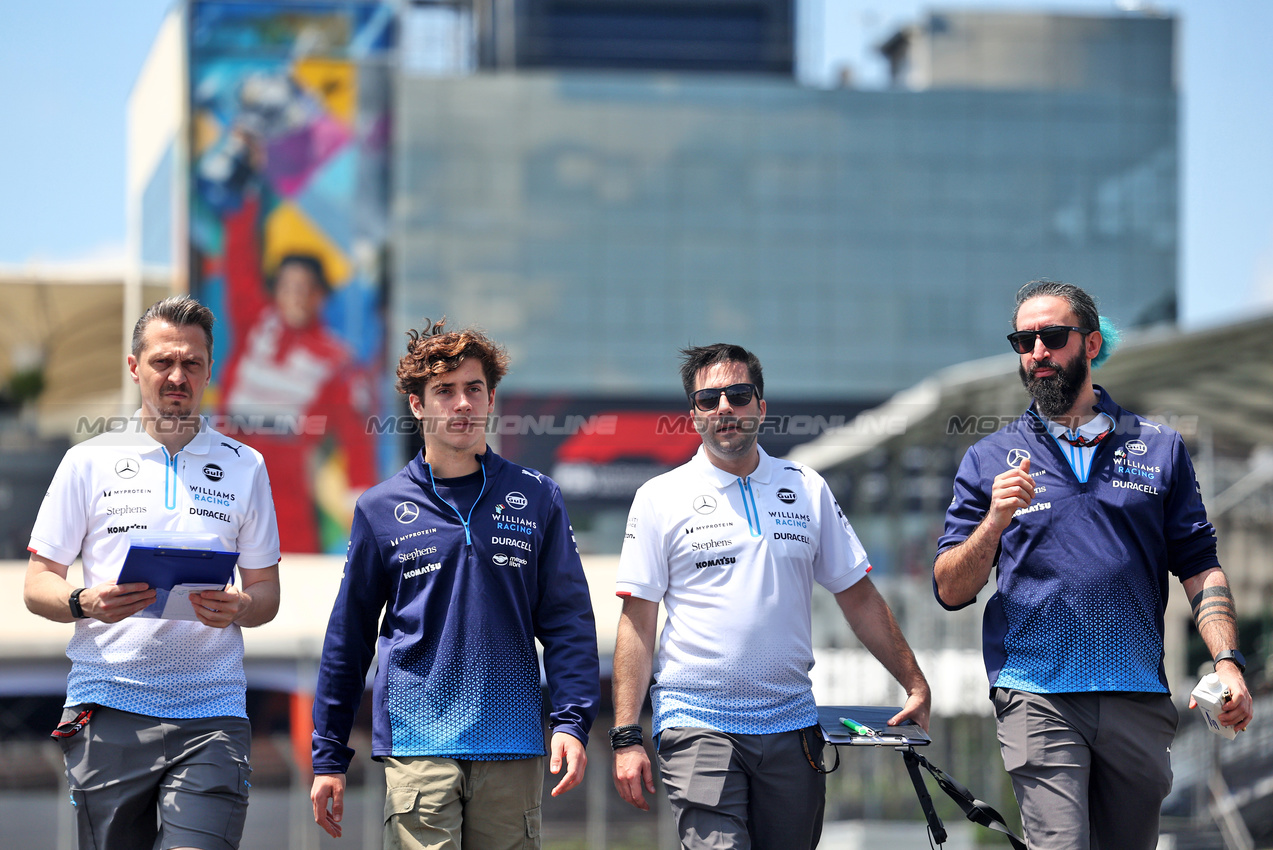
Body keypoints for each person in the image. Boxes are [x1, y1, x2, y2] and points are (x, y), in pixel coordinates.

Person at [933, 279, 1254, 850]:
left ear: (1091, 343)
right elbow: (951, 588)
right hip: (1036, 693)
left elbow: (1200, 564)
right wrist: (994, 522)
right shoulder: (987, 457)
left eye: (1052, 337)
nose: (1037, 354)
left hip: (1137, 694)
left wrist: (1227, 662)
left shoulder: (1160, 447)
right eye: (1023, 341)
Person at [611, 343, 931, 850]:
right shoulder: (659, 496)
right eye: (709, 398)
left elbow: (859, 597)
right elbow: (637, 623)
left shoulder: (806, 487)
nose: (724, 409)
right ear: (692, 414)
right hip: (697, 723)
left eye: (738, 395)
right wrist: (627, 735)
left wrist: (914, 682)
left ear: (760, 407)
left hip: (793, 726)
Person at [310, 319, 600, 849]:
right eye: (444, 391)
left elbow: (569, 623)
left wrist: (571, 723)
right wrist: (329, 755)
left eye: (474, 390)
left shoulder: (539, 497)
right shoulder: (378, 508)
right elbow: (348, 636)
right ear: (418, 405)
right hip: (418, 744)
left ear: (491, 400)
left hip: (512, 744)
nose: (462, 404)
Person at [23, 295, 282, 850]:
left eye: (191, 363)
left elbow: (266, 594)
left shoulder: (246, 466)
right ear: (135, 366)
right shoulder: (86, 460)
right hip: (108, 705)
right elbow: (37, 582)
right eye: (163, 361)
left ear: (210, 369)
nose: (177, 376)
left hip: (212, 714)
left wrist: (243, 607)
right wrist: (83, 601)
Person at [219, 184, 377, 553]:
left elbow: (357, 435)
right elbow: (240, 262)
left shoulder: (336, 359)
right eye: (287, 287)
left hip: (282, 482)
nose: (295, 296)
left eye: (305, 288)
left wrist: (362, 507)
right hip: (223, 467)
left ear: (320, 295)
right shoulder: (255, 322)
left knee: (289, 572)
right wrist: (244, 194)